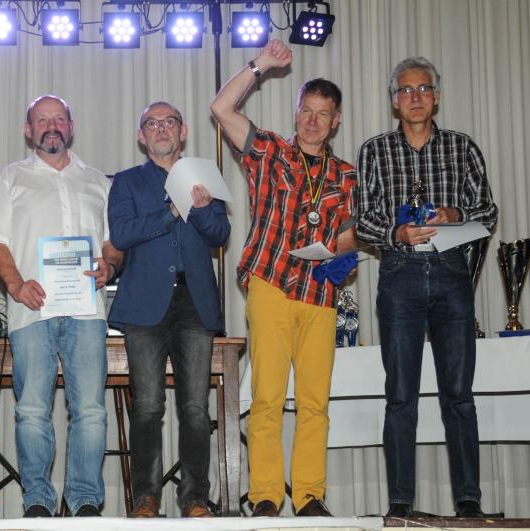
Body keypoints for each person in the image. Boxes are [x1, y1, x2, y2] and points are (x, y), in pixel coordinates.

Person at [210, 40, 357, 517]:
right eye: (306, 110)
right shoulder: (270, 151)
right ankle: (266, 496)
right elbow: (221, 108)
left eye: (323, 114)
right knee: (268, 397)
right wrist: (260, 65)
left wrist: (344, 256)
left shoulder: (346, 175)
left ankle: (310, 494)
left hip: (319, 291)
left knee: (315, 401)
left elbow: (348, 236)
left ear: (336, 120)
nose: (313, 121)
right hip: (271, 282)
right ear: (297, 112)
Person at [356, 57, 498, 519]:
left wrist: (455, 214)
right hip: (400, 274)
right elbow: (364, 220)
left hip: (452, 272)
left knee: (459, 393)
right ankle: (401, 502)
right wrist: (397, 233)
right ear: (393, 100)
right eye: (405, 90)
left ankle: (468, 501)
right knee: (400, 395)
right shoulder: (375, 150)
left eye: (423, 89)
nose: (415, 97)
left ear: (436, 96)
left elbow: (488, 212)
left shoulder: (462, 146)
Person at [0, 95, 122, 518]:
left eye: (59, 118)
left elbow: (112, 243)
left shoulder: (98, 181)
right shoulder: (11, 178)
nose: (51, 126)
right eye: (42, 120)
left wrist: (110, 266)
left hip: (87, 312)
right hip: (31, 310)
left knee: (91, 411)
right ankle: (38, 501)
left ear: (71, 126)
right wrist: (15, 284)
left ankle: (85, 500)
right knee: (31, 410)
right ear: (29, 130)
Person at [107, 102, 230, 518]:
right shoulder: (126, 182)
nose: (161, 129)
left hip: (195, 302)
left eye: (169, 122)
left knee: (195, 407)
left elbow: (221, 233)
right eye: (152, 123)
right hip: (144, 304)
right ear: (141, 136)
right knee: (146, 406)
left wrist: (200, 208)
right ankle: (146, 497)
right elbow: (121, 234)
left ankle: (195, 497)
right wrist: (169, 213)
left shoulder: (204, 177)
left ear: (184, 131)